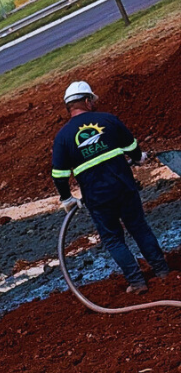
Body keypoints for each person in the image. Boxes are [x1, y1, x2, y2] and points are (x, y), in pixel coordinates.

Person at [51, 80, 169, 294]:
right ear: (87, 101)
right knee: (139, 228)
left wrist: (67, 198)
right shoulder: (108, 120)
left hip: (97, 197)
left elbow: (59, 175)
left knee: (113, 239)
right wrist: (138, 157)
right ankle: (162, 271)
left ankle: (137, 282)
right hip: (124, 187)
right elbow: (132, 146)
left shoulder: (63, 137)